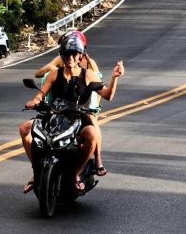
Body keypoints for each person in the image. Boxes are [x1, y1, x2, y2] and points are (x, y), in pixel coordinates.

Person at [19, 33, 124, 193]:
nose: (70, 57)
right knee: (24, 129)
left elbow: (108, 95)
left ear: (80, 55)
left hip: (77, 117)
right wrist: (34, 102)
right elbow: (41, 94)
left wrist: (115, 78)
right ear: (62, 55)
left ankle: (77, 173)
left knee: (92, 134)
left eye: (74, 54)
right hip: (54, 114)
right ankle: (36, 171)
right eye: (67, 54)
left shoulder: (88, 74)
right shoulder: (55, 73)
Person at [33, 30, 107, 176]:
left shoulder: (90, 65)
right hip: (61, 104)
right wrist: (53, 69)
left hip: (85, 104)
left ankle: (98, 160)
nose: (70, 56)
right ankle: (38, 171)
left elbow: (99, 88)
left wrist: (93, 109)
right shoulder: (63, 59)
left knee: (93, 125)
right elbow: (39, 73)